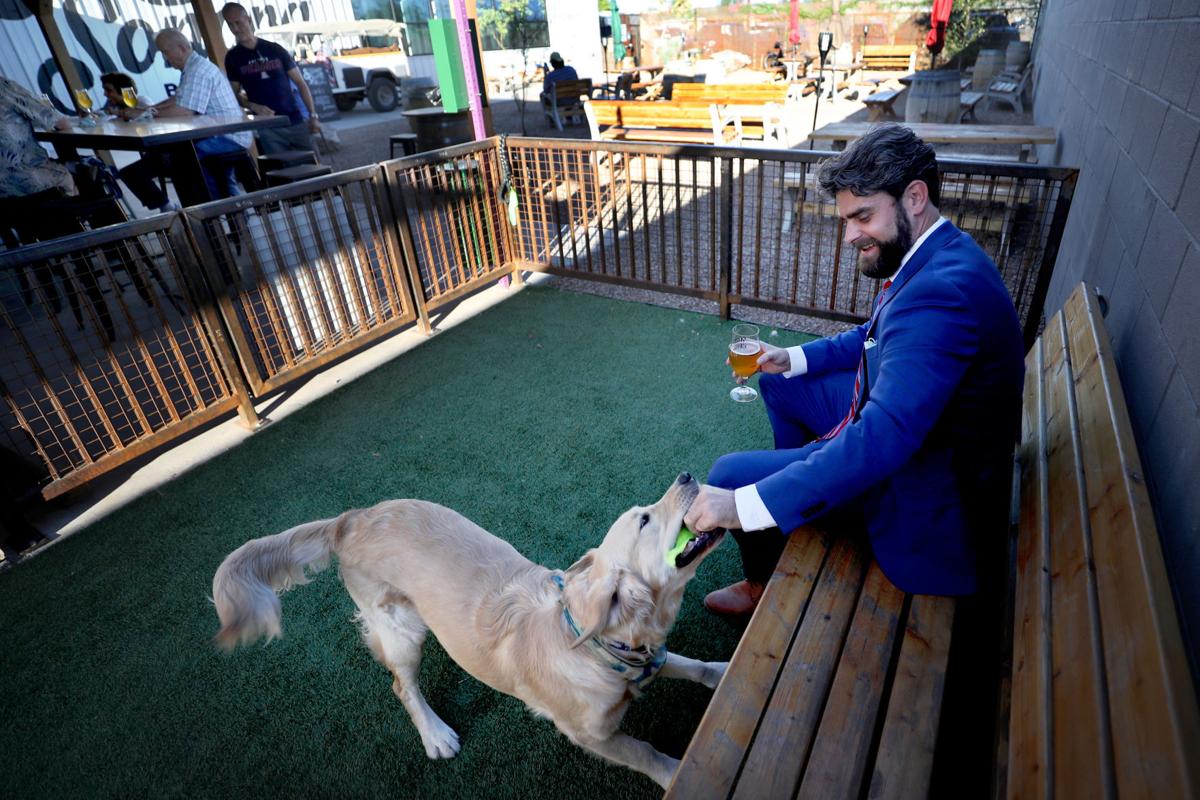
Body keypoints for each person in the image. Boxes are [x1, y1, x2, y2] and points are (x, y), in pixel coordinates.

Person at [685, 124, 1025, 617]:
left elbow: (880, 441)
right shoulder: (938, 254)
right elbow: (874, 333)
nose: (849, 236)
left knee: (731, 476)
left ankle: (774, 550)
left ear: (913, 197)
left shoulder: (938, 294)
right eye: (846, 219)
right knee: (781, 382)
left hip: (929, 497)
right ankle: (803, 496)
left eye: (862, 216)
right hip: (929, 444)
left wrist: (745, 505)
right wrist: (793, 357)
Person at [118, 29, 252, 208]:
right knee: (175, 155)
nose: (165, 58)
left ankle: (204, 213)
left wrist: (143, 113)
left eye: (165, 52)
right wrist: (147, 110)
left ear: (181, 48)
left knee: (180, 158)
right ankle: (216, 212)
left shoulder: (198, 70)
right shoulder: (193, 67)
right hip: (220, 134)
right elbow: (177, 101)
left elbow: (184, 110)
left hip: (227, 136)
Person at [220, 2, 321, 154]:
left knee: (315, 166)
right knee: (283, 173)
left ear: (248, 19)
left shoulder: (274, 49)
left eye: (238, 23)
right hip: (267, 127)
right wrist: (253, 106)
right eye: (230, 25)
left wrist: (313, 115)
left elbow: (300, 83)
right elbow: (234, 95)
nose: (235, 29)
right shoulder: (233, 57)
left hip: (294, 119)